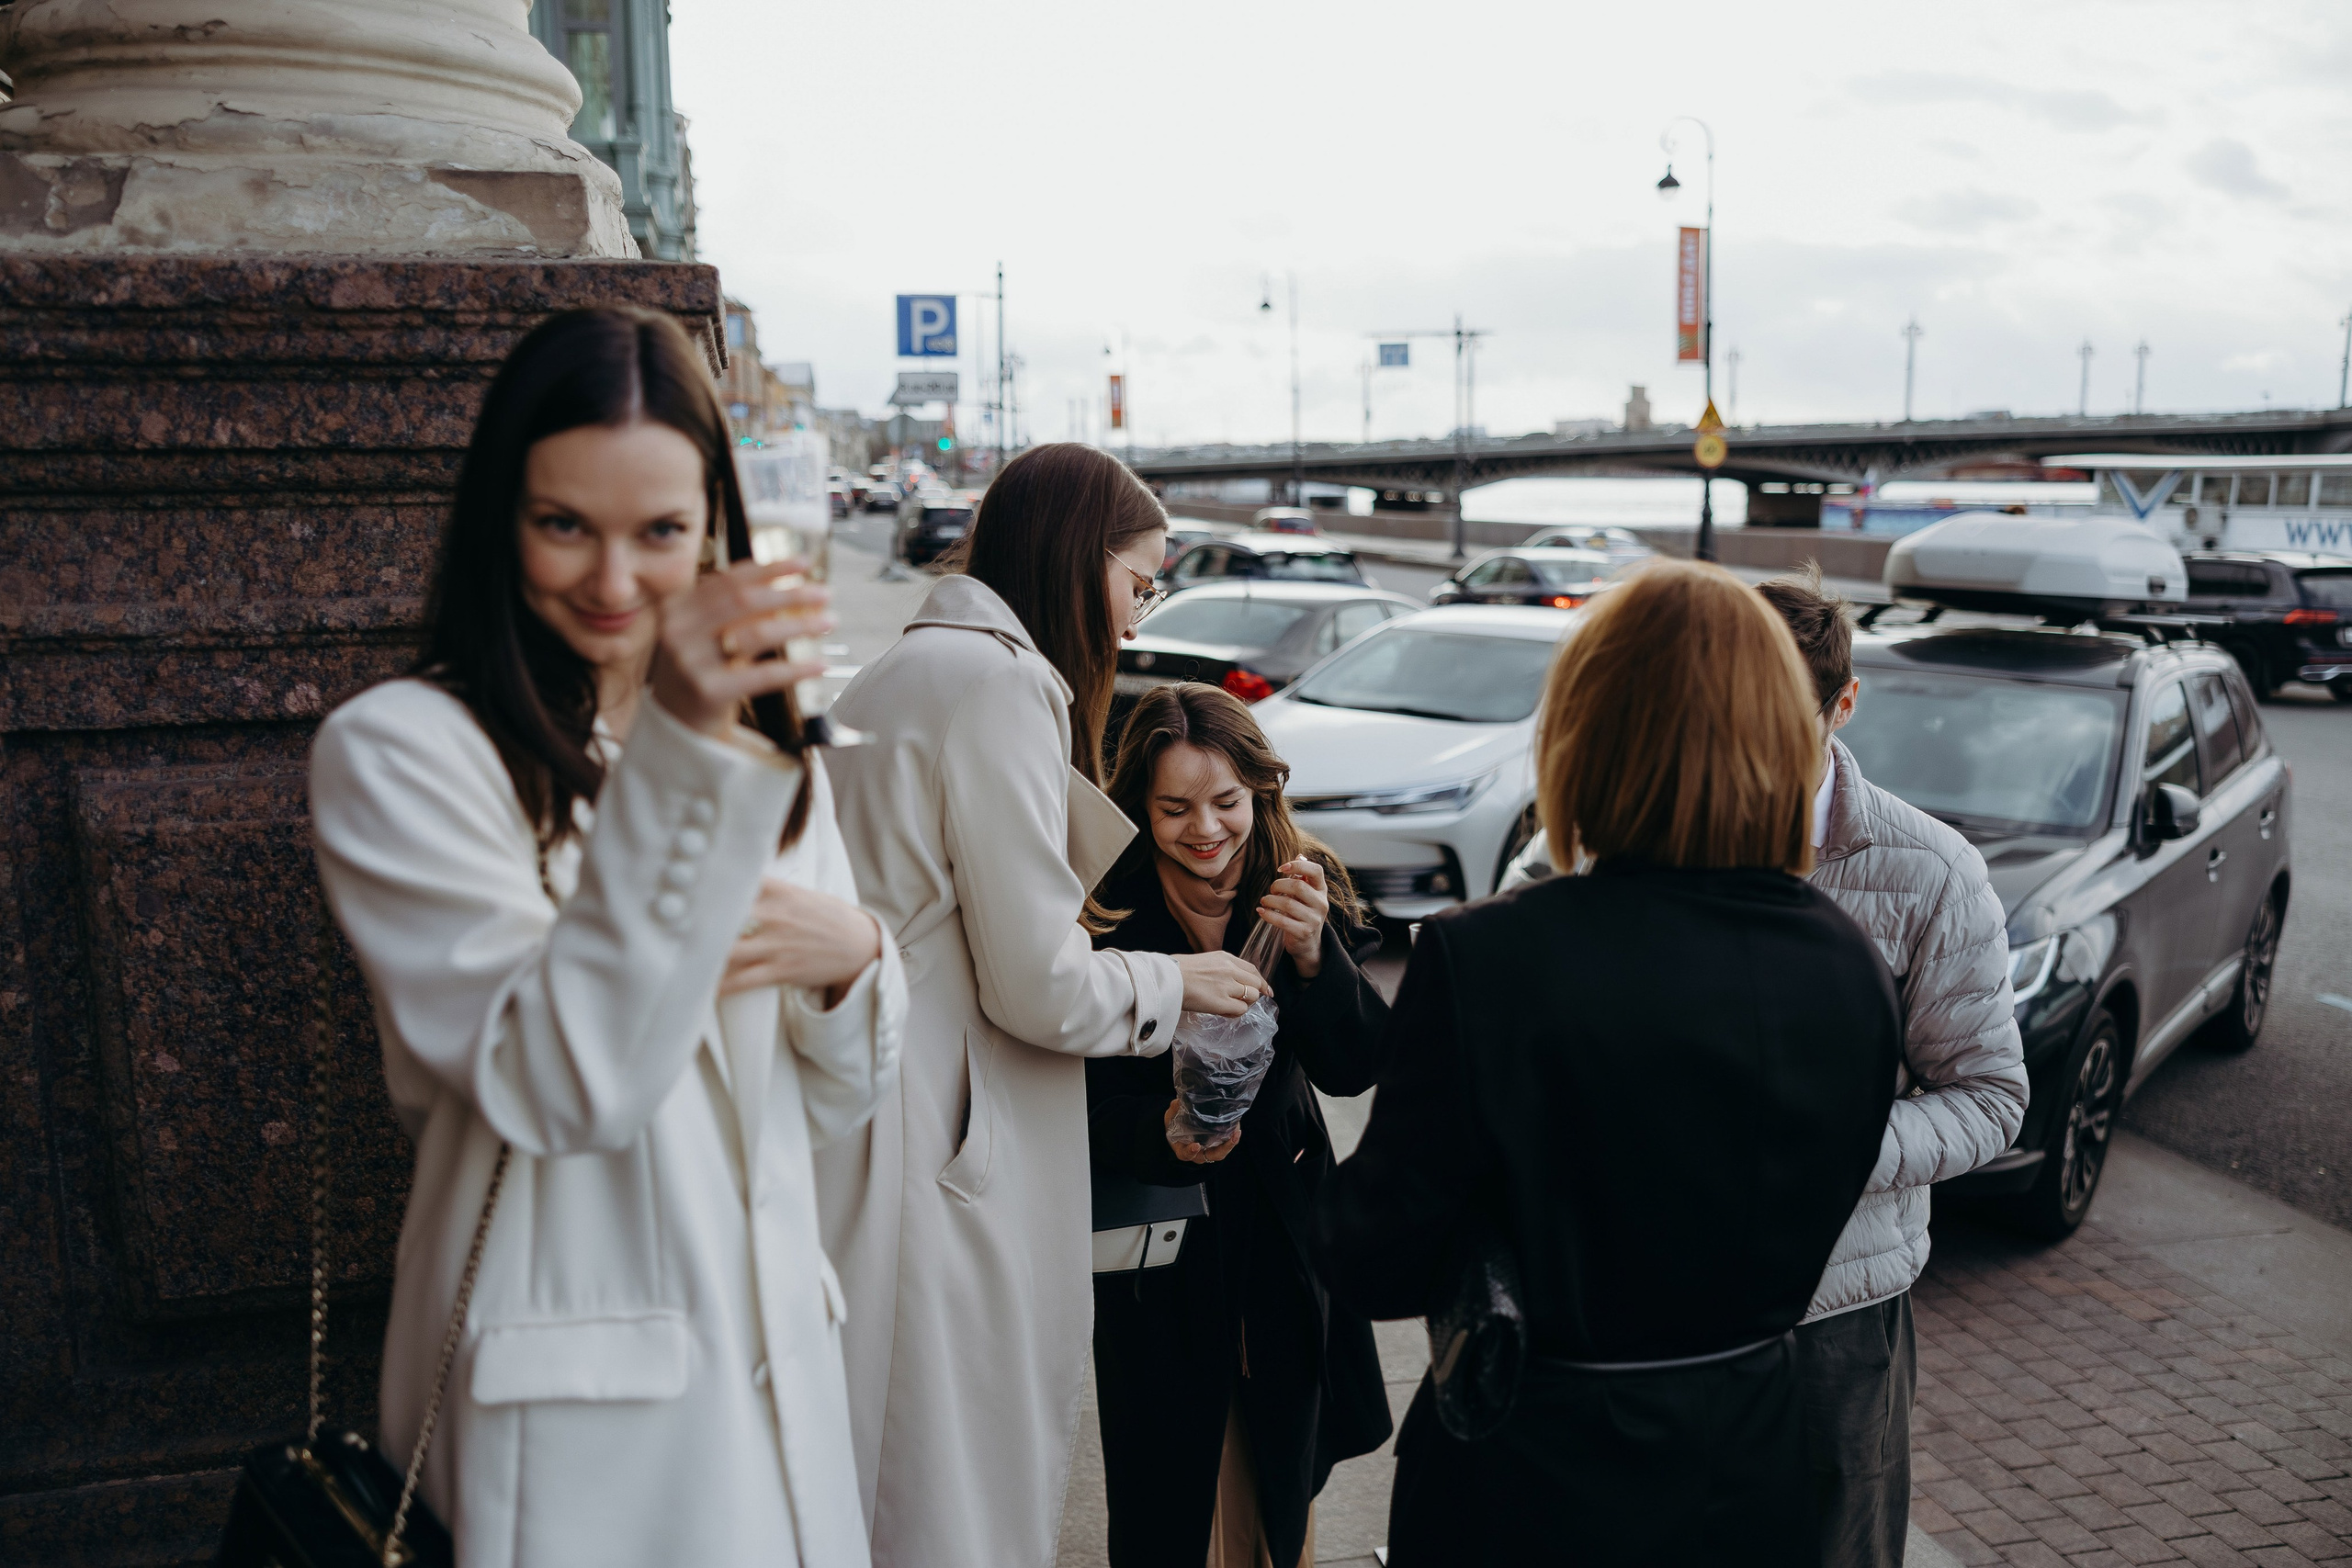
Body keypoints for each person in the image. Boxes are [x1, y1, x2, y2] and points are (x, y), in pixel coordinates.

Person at [309, 309, 903, 1567]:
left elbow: (837, 1101)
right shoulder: (407, 751)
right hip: (576, 1421)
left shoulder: (769, 754)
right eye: (564, 524)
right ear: (499, 517)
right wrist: (687, 747)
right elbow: (560, 1081)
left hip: (779, 1370)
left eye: (661, 533)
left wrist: (854, 955)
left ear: (716, 529)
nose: (616, 581)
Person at [1314, 558, 1905, 1566]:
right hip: (1754, 1458)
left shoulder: (1489, 957)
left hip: (1533, 1470)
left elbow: (1379, 1258)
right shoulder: (1847, 959)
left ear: (1586, 732)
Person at [814, 445, 1270, 1567]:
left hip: (882, 1108)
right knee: (960, 1476)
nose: (1136, 611)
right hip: (948, 1132)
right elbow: (1035, 983)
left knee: (890, 1460)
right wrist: (1178, 981)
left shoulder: (896, 674)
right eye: (1138, 578)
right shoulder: (1005, 685)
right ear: (1081, 561)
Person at [1750, 569, 2028, 1568]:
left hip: (1841, 1311)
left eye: (1778, 723)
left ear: (1844, 704)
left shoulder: (1929, 870)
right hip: (1664, 1293)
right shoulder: (1645, 841)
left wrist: (1830, 1151)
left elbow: (1991, 1097)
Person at [1085, 683, 1394, 1568]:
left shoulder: (1301, 883)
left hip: (1281, 1234)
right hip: (1156, 1249)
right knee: (1167, 1485)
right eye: (1174, 806)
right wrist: (1164, 1133)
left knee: (1282, 1467)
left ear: (1263, 791)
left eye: (1227, 802)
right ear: (1139, 807)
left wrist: (1313, 959)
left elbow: (1356, 1064)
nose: (1206, 830)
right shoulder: (1105, 906)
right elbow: (1071, 1097)